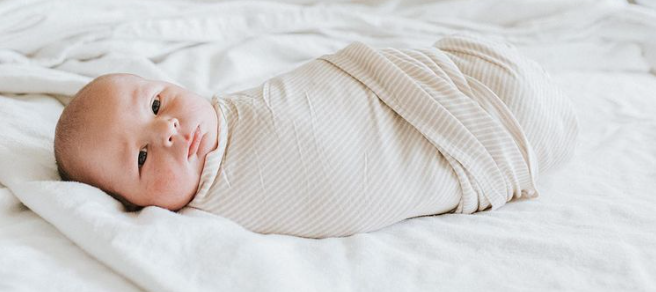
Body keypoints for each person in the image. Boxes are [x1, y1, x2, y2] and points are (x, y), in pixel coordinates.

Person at [54, 36, 578, 238]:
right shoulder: (204, 223)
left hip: (447, 90)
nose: (167, 131)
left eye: (155, 104)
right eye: (142, 157)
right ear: (128, 204)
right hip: (471, 152)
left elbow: (336, 87)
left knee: (516, 90)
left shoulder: (242, 110)